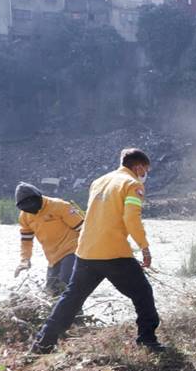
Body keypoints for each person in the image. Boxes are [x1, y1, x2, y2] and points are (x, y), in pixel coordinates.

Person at [31, 148, 163, 354]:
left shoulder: (99, 181)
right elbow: (131, 219)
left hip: (85, 252)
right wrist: (144, 248)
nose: (145, 174)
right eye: (145, 170)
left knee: (71, 299)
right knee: (143, 293)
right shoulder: (132, 184)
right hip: (114, 253)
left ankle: (42, 344)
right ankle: (147, 340)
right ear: (138, 167)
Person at [13, 182, 83, 295]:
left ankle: (76, 312)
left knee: (67, 285)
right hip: (52, 257)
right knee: (51, 291)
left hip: (72, 251)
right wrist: (25, 260)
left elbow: (83, 228)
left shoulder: (60, 206)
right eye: (26, 208)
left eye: (33, 204)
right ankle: (56, 312)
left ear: (39, 197)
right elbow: (26, 241)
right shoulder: (24, 216)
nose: (31, 209)